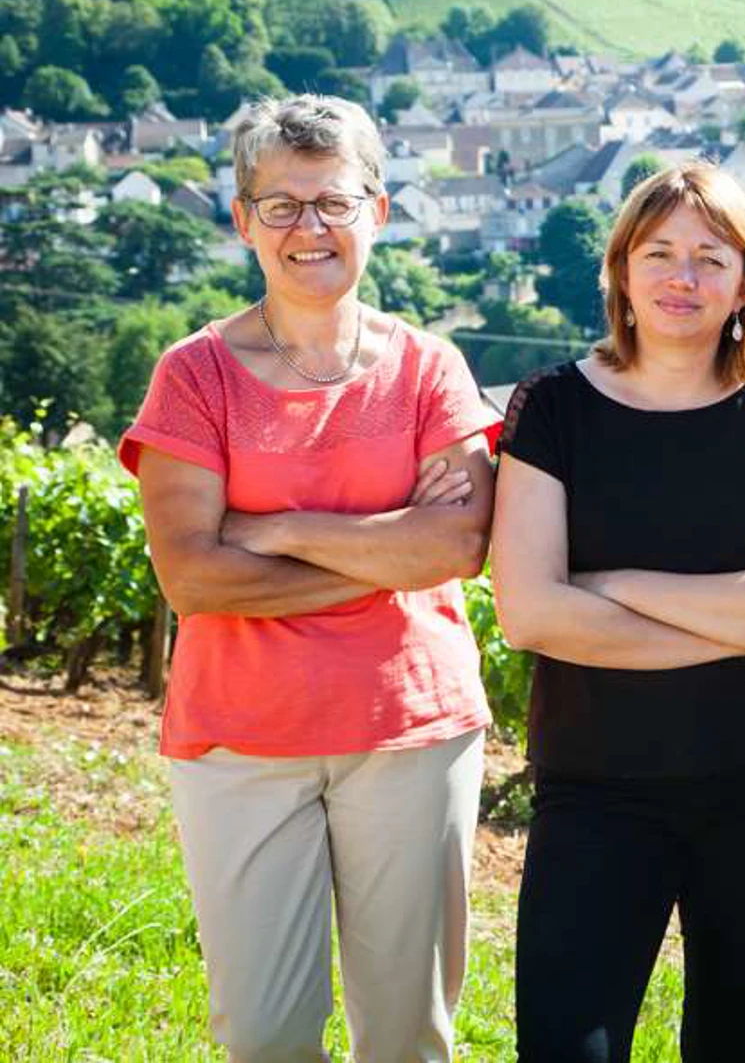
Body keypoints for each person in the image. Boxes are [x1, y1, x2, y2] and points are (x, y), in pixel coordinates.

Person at [119, 94, 498, 1061]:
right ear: (243, 220)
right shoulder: (194, 376)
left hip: (412, 727)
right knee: (265, 1036)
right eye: (281, 205)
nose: (309, 228)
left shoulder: (429, 369)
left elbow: (458, 545)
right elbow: (194, 579)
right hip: (242, 737)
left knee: (408, 1034)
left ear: (378, 211)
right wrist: (386, 552)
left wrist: (278, 530)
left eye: (333, 202)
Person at [489, 161, 745, 1063]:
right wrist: (737, 615)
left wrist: (607, 583)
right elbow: (529, 614)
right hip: (596, 788)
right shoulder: (552, 407)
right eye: (658, 253)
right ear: (620, 270)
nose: (682, 278)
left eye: (710, 258)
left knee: (738, 1049)